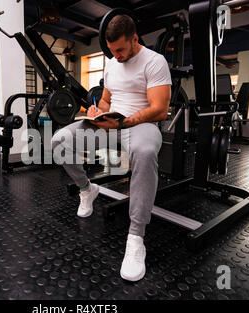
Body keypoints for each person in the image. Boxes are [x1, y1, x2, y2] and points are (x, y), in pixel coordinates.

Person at [51, 15, 172, 282]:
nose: (115, 55)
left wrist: (124, 123)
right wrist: (97, 111)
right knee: (59, 140)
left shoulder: (155, 62)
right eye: (111, 50)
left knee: (144, 151)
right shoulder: (110, 63)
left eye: (120, 49)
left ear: (135, 39)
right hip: (109, 125)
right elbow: (106, 99)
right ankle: (87, 189)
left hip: (140, 126)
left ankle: (136, 238)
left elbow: (160, 109)